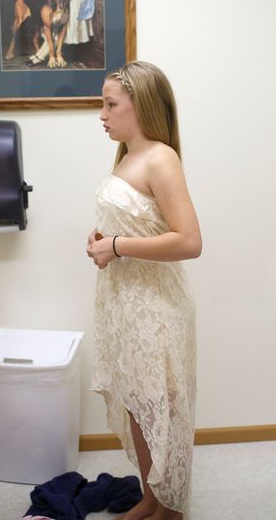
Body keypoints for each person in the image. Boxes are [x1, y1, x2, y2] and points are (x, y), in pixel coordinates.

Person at [86, 61, 202, 520]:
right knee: (138, 406)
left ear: (142, 105)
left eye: (110, 104)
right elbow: (137, 220)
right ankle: (151, 499)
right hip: (125, 306)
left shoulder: (161, 157)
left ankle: (169, 511)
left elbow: (189, 241)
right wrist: (102, 236)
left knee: (163, 411)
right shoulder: (127, 156)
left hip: (157, 308)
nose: (102, 114)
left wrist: (116, 245)